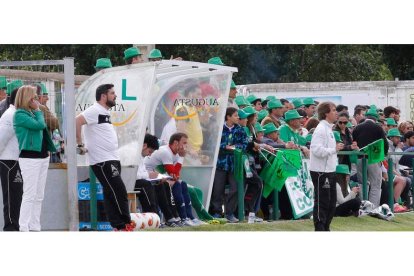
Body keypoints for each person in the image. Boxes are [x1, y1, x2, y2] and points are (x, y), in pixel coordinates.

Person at [75, 83, 135, 231]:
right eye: (112, 93)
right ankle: (125, 223)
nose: (115, 96)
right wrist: (79, 144)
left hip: (111, 158)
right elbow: (77, 121)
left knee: (110, 192)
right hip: (102, 160)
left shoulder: (104, 112)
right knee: (119, 190)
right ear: (103, 96)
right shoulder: (95, 109)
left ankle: (117, 225)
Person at [14, 85, 56, 232]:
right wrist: (38, 110)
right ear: (27, 98)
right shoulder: (20, 114)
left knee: (39, 195)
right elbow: (39, 125)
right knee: (30, 194)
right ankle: (24, 227)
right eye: (34, 97)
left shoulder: (32, 113)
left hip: (43, 157)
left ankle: (35, 226)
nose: (37, 100)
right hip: (30, 158)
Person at [144, 132, 201, 226]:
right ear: (175, 143)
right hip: (147, 177)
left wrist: (181, 158)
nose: (185, 146)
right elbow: (173, 174)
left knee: (182, 183)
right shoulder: (165, 151)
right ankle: (181, 218)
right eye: (184, 143)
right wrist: (182, 157)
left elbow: (176, 175)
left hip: (157, 176)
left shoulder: (177, 153)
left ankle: (189, 217)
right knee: (176, 184)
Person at [135, 133, 183, 227]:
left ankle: (169, 217)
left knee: (162, 184)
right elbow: (134, 175)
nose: (149, 155)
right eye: (150, 151)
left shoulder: (141, 156)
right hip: (128, 182)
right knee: (146, 185)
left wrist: (156, 177)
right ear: (144, 145)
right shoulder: (133, 154)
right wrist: (150, 175)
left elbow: (142, 173)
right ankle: (154, 219)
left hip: (138, 181)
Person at [209, 107, 249, 222]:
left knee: (235, 188)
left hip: (235, 164)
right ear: (228, 117)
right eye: (236, 115)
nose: (238, 118)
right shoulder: (218, 129)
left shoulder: (241, 130)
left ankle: (229, 213)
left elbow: (245, 144)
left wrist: (235, 147)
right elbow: (212, 144)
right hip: (220, 163)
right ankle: (216, 212)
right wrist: (224, 147)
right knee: (217, 189)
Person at [310, 101, 343, 231]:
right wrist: (333, 150)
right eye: (334, 110)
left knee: (331, 203)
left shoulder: (328, 128)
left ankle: (326, 227)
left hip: (329, 171)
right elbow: (316, 150)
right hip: (320, 172)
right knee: (322, 203)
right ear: (326, 113)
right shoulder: (321, 129)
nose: (336, 113)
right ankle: (320, 228)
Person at [352, 108, 388, 208]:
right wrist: (383, 155)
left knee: (363, 183)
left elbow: (353, 143)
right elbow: (385, 144)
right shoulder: (377, 127)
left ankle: (363, 205)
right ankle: (373, 207)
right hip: (373, 158)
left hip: (359, 158)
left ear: (366, 117)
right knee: (376, 184)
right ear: (375, 118)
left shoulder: (357, 128)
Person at [0, 88, 23, 231]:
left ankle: (15, 227)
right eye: (31, 97)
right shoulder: (10, 115)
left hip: (15, 161)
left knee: (17, 197)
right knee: (12, 199)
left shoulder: (17, 114)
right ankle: (10, 229)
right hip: (8, 162)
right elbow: (1, 139)